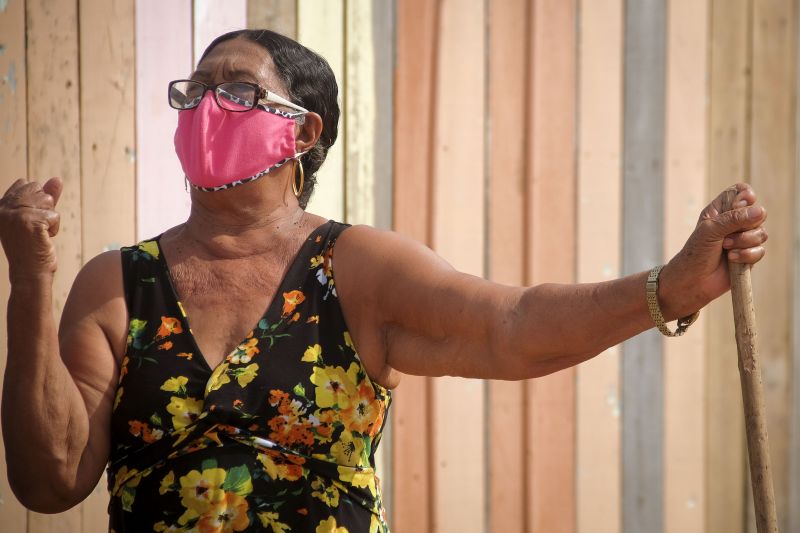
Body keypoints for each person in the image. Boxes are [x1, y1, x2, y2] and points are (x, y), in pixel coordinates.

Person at [0, 29, 768, 533]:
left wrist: (666, 288)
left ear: (301, 132)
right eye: (194, 90)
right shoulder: (117, 284)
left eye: (235, 90)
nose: (207, 107)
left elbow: (512, 325)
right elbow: (52, 479)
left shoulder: (352, 268)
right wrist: (31, 281)